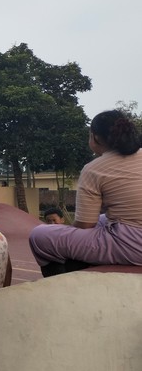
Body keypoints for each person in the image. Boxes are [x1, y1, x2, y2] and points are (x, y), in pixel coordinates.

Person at [29, 110, 142, 277]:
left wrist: (71, 234)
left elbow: (85, 224)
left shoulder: (95, 168)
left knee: (39, 236)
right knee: (103, 220)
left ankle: (58, 284)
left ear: (95, 138)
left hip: (133, 242)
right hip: (128, 227)